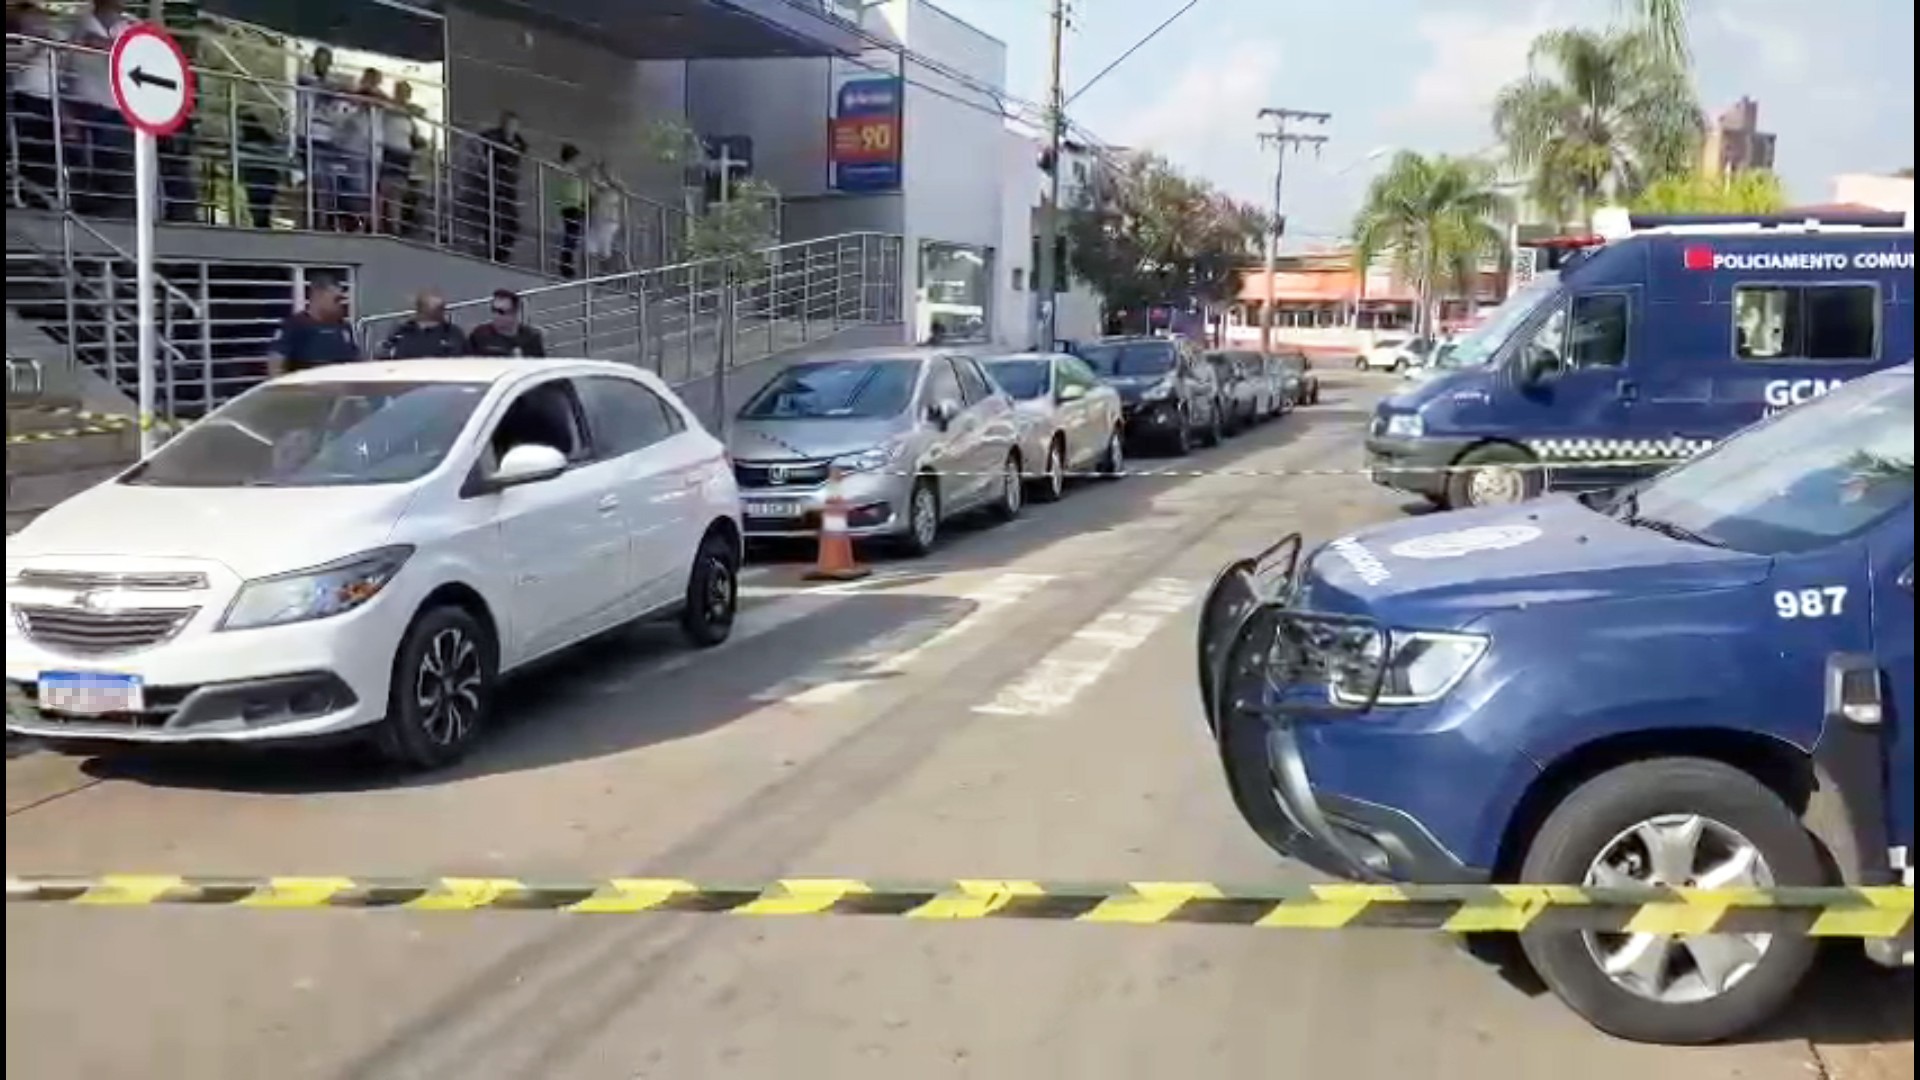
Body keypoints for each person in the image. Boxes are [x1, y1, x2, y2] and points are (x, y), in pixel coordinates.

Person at [64, 0, 136, 217]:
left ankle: (121, 216)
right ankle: (89, 212)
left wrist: (109, 46)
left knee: (119, 165)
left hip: (119, 108)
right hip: (82, 103)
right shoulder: (77, 25)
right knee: (83, 163)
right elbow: (62, 65)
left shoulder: (130, 28)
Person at [7, 2, 62, 207]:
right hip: (26, 97)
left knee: (47, 151)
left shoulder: (50, 41)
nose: (40, 22)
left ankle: (45, 194)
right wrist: (37, 45)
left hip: (48, 100)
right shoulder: (16, 40)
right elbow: (13, 64)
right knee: (28, 150)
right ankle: (26, 193)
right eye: (35, 18)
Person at [268, 274, 362, 377]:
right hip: (306, 389)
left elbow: (355, 361)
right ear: (318, 296)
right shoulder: (296, 324)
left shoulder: (343, 326)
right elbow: (276, 363)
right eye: (336, 300)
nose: (341, 305)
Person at [297, 47, 348, 230]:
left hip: (326, 138)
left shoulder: (333, 85)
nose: (322, 64)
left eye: (326, 60)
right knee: (312, 180)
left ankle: (322, 221)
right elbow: (306, 83)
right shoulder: (305, 78)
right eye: (319, 59)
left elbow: (341, 106)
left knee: (325, 182)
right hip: (308, 135)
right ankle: (311, 221)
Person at [478, 111, 527, 264]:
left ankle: (503, 250)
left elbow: (522, 149)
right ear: (503, 124)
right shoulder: (493, 137)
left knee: (511, 222)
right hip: (494, 181)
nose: (512, 128)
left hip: (509, 184)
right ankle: (491, 249)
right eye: (509, 124)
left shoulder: (518, 141)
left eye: (514, 125)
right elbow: (485, 142)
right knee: (492, 216)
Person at [378, 80, 419, 236]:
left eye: (407, 92)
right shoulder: (389, 107)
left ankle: (396, 227)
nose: (404, 95)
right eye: (401, 91)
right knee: (384, 189)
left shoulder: (408, 117)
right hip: (390, 151)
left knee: (398, 193)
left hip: (404, 155)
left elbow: (414, 134)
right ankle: (381, 225)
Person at [376, 293, 468, 359]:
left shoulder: (452, 334)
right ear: (419, 309)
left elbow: (461, 360)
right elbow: (383, 356)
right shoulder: (400, 333)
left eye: (440, 307)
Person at [465, 289, 546, 358]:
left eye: (501, 312)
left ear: (514, 313)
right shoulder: (479, 334)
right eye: (493, 310)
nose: (495, 316)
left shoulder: (531, 338)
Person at [585, 160, 627, 275]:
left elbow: (618, 185)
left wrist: (604, 172)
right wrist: (593, 171)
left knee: (604, 249)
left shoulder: (616, 187)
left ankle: (606, 273)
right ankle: (592, 273)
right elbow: (594, 186)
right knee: (590, 247)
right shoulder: (600, 187)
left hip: (609, 221)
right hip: (597, 220)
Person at [552, 143, 586, 278]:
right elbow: (569, 182)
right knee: (571, 236)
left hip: (573, 205)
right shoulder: (567, 170)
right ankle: (566, 265)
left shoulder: (571, 170)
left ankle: (567, 264)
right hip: (570, 206)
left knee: (572, 236)